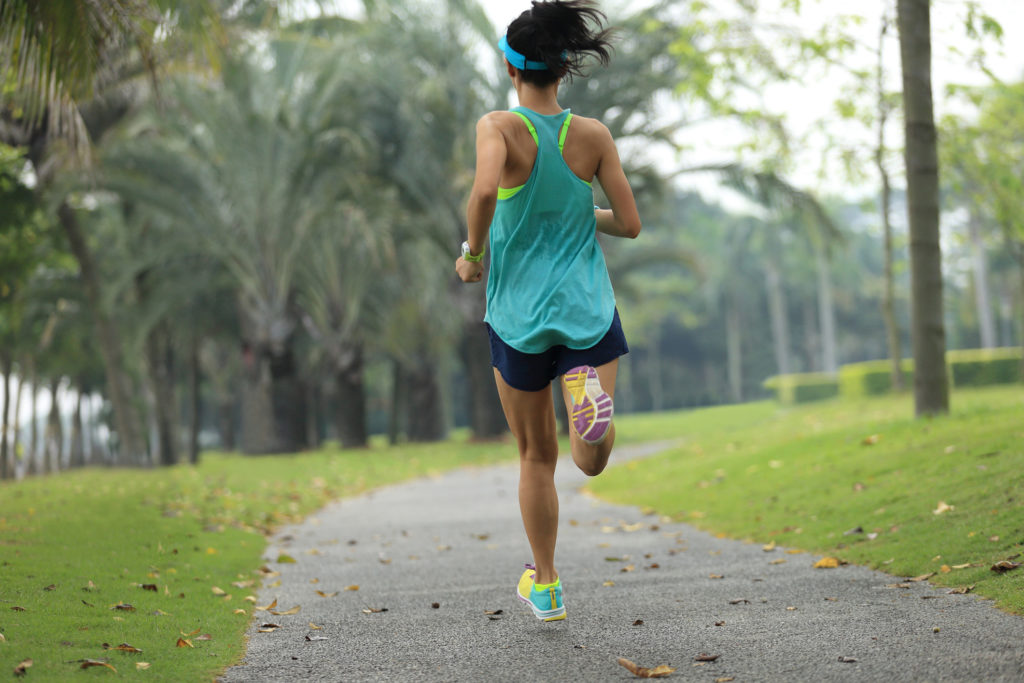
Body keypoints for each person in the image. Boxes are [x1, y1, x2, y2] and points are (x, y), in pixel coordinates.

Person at [455, 0, 641, 623]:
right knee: (591, 458)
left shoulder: (499, 128)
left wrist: (472, 254)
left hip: (519, 317)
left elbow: (485, 191)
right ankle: (590, 409)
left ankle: (548, 584)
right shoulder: (591, 136)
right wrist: (580, 213)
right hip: (587, 311)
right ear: (563, 69)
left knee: (537, 457)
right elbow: (631, 224)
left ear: (512, 69)